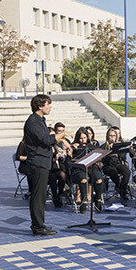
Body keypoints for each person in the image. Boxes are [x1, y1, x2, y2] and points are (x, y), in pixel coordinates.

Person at [24, 95, 70, 235]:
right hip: (38, 162)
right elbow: (46, 140)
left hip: (43, 162)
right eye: (47, 104)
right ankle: (37, 226)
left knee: (42, 195)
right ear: (40, 106)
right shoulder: (33, 122)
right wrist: (62, 135)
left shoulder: (40, 121)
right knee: (38, 195)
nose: (50, 107)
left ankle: (40, 223)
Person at [70, 127, 105, 213]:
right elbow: (69, 161)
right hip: (78, 169)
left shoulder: (92, 147)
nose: (83, 140)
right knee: (83, 179)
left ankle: (98, 200)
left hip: (91, 168)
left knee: (99, 179)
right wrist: (71, 151)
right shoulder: (74, 147)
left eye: (84, 138)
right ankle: (84, 201)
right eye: (81, 138)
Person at [101, 128, 131, 203]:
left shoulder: (119, 145)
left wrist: (118, 153)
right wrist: (109, 154)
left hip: (118, 163)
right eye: (110, 136)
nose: (112, 138)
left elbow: (123, 157)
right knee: (113, 172)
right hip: (108, 165)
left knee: (127, 172)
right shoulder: (104, 146)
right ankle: (119, 187)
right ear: (107, 136)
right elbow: (103, 160)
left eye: (114, 136)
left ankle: (122, 188)